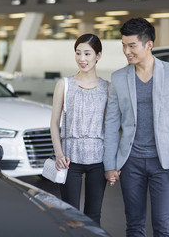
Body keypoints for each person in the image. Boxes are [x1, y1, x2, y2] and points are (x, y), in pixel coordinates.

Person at [103, 17, 169, 236]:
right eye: (123, 45)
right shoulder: (118, 78)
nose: (126, 51)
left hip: (164, 163)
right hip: (130, 162)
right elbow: (112, 124)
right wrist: (110, 164)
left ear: (149, 44)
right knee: (134, 225)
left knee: (163, 226)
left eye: (132, 45)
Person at [50, 33, 110, 225]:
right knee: (69, 215)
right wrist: (59, 154)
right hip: (69, 159)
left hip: (98, 159)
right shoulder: (64, 84)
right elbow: (54, 123)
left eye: (87, 53)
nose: (82, 59)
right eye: (78, 53)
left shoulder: (107, 87)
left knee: (94, 216)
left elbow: (110, 127)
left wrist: (112, 162)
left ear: (98, 55)